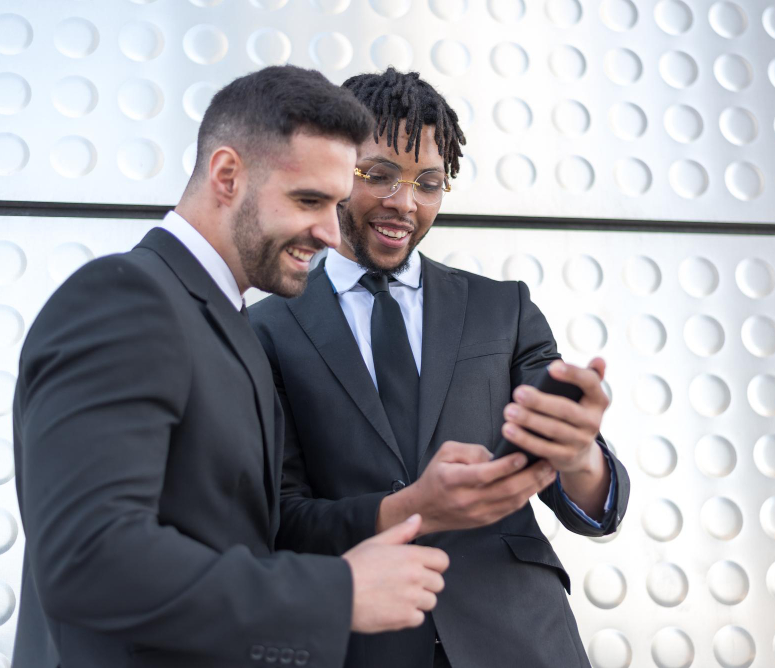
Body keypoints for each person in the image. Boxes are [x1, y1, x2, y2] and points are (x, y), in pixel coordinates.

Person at [11, 65, 449, 668]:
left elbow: (237, 540)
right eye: (308, 201)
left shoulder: (229, 325)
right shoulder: (124, 298)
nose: (329, 233)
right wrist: (335, 594)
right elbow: (88, 557)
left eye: (337, 204)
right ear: (226, 176)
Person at [249, 67, 630, 668]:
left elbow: (575, 487)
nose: (405, 203)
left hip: (518, 638)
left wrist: (579, 452)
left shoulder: (502, 310)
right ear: (336, 168)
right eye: (379, 175)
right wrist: (410, 507)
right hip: (360, 645)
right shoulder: (267, 329)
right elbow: (284, 518)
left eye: (429, 182)